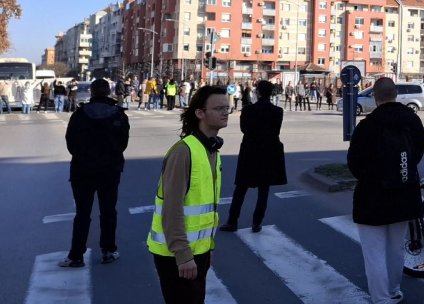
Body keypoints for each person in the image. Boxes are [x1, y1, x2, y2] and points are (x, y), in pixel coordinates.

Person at [147, 85, 228, 303]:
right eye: (218, 108)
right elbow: (171, 209)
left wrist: (207, 249)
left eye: (227, 108)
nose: (225, 112)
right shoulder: (184, 151)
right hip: (175, 255)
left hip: (196, 252)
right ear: (200, 113)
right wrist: (183, 255)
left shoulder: (211, 150)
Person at [348, 78, 424, 304]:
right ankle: (393, 290)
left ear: (376, 96)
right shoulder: (412, 120)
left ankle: (381, 298)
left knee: (374, 253)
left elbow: (354, 162)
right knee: (396, 248)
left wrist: (369, 177)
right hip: (404, 193)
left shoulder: (367, 125)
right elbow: (417, 154)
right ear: (396, 94)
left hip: (372, 196)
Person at [59, 79, 130, 268]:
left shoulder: (79, 114)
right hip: (110, 170)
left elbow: (70, 143)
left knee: (82, 213)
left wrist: (84, 156)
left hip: (82, 170)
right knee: (108, 211)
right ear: (108, 92)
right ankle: (108, 250)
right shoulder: (119, 115)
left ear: (91, 92)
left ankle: (76, 255)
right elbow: (123, 143)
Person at [220, 81, 286, 233]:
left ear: (258, 92)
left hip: (250, 150)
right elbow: (276, 130)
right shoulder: (278, 111)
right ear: (271, 93)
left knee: (241, 188)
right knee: (264, 190)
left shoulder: (248, 110)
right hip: (269, 152)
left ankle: (232, 221)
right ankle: (257, 223)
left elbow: (244, 129)